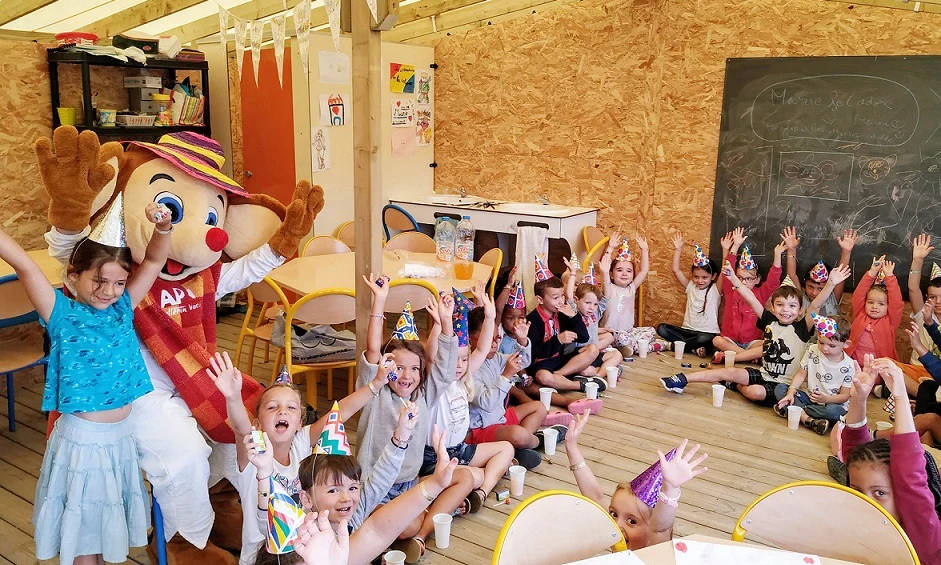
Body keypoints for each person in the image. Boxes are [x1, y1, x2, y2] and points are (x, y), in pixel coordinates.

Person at [3, 197, 170, 565]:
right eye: (99, 280)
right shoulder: (60, 313)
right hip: (84, 445)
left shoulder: (123, 306)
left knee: (102, 531)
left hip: (120, 440)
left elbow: (156, 260)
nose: (109, 291)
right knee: (84, 540)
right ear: (72, 275)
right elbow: (24, 264)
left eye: (118, 282)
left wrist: (162, 229)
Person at [209, 349, 410, 564]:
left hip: (305, 553)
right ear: (257, 424)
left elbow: (338, 413)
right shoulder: (255, 454)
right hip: (263, 558)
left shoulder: (301, 442)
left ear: (300, 423)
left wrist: (376, 384)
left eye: (291, 407)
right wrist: (232, 397)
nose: (282, 411)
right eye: (272, 407)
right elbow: (241, 429)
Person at [660, 261, 850, 406]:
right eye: (781, 305)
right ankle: (683, 378)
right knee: (731, 371)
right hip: (764, 373)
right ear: (773, 308)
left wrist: (831, 284)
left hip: (783, 384)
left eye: (792, 306)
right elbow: (750, 298)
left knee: (755, 393)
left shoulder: (801, 328)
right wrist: (734, 280)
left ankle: (731, 383)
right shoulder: (769, 320)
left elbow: (816, 304)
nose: (786, 310)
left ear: (800, 310)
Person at [839, 357, 941, 565]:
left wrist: (901, 396)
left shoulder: (925, 539)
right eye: (858, 492)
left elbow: (910, 478)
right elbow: (856, 455)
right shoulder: (866, 525)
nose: (867, 502)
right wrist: (859, 399)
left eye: (879, 493)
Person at [563, 411, 708, 550]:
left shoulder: (654, 549)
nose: (617, 525)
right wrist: (571, 447)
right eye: (614, 514)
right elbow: (595, 496)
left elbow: (660, 530)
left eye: (632, 521)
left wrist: (670, 489)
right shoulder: (619, 540)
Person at [526, 259, 607, 395]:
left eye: (562, 296)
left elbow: (583, 337)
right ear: (540, 299)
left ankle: (559, 376)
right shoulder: (532, 320)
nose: (560, 301)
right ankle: (580, 385)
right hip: (542, 363)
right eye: (555, 297)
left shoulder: (562, 313)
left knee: (593, 349)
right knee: (543, 377)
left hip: (562, 361)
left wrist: (573, 316)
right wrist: (558, 340)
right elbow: (534, 351)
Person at [712, 227, 782, 365]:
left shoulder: (761, 292)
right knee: (716, 340)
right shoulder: (730, 289)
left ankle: (734, 356)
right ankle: (747, 357)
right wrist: (735, 246)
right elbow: (727, 269)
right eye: (740, 278)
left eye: (748, 279)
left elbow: (774, 279)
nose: (743, 282)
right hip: (730, 340)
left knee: (769, 345)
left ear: (757, 279)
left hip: (752, 342)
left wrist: (777, 255)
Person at [773, 314, 853, 434]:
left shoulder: (848, 365)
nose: (825, 348)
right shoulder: (812, 350)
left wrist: (826, 398)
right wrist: (791, 393)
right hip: (809, 398)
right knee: (780, 388)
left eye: (831, 346)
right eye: (821, 343)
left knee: (835, 412)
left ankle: (795, 411)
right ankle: (807, 419)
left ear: (846, 344)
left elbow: (844, 396)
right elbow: (801, 374)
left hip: (830, 403)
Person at [598, 232, 667, 355]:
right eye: (619, 270)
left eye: (629, 271)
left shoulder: (632, 288)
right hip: (612, 333)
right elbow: (604, 267)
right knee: (620, 338)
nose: (624, 274)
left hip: (629, 332)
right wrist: (610, 247)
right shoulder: (609, 288)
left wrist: (644, 250)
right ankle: (643, 347)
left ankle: (635, 347)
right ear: (611, 275)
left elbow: (644, 270)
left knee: (650, 331)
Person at [656, 233, 721, 358]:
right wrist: (678, 249)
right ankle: (693, 347)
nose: (700, 280)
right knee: (662, 328)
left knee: (707, 339)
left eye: (705, 277)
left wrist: (726, 249)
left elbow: (725, 270)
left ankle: (672, 346)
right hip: (686, 331)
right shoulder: (690, 286)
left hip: (707, 333)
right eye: (696, 277)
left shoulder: (715, 290)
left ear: (713, 277)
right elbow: (676, 270)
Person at [562, 256, 623, 375]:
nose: (591, 307)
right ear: (577, 300)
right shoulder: (575, 311)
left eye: (595, 304)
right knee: (585, 371)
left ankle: (599, 375)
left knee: (617, 355)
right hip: (579, 355)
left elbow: (606, 296)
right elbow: (569, 296)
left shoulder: (595, 312)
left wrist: (605, 273)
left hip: (594, 353)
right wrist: (573, 273)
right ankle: (604, 371)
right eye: (588, 303)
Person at [781, 226, 858, 318]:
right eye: (810, 286)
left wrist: (846, 251)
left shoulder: (832, 298)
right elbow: (791, 275)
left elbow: (841, 274)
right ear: (805, 284)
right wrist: (791, 250)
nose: (814, 293)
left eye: (820, 288)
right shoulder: (801, 297)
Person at [846, 256, 904, 372]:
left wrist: (889, 277)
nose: (874, 307)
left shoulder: (890, 321)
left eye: (881, 304)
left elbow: (896, 302)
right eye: (870, 302)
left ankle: (877, 388)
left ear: (888, 306)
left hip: (880, 370)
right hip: (853, 366)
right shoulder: (860, 314)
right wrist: (872, 272)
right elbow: (859, 294)